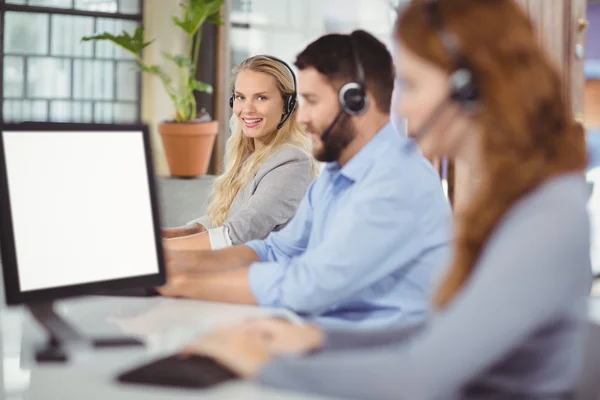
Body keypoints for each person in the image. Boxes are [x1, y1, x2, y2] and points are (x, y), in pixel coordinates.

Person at [178, 0, 592, 398]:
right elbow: (444, 331)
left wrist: (262, 363)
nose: (403, 105)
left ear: (470, 87)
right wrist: (320, 339)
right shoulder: (510, 197)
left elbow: (416, 378)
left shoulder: (546, 217)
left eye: (412, 85)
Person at [157, 30, 453, 329]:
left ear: (357, 101)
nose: (301, 117)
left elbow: (310, 284)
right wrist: (171, 265)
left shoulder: (395, 180)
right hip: (338, 335)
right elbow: (275, 250)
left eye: (311, 101)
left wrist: (182, 284)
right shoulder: (336, 176)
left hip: (384, 350)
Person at [162, 55, 319, 251]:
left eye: (261, 97)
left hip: (262, 276)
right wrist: (170, 234)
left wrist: (159, 249)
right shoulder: (249, 154)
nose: (247, 109)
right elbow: (222, 218)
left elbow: (237, 234)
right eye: (240, 97)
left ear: (287, 105)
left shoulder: (292, 162)